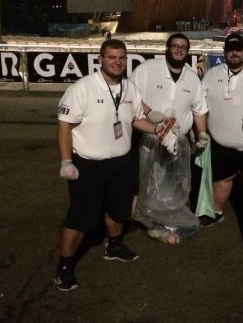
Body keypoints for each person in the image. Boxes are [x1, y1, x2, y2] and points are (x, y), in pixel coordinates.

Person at [54, 39, 164, 291]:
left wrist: (159, 130)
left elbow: (135, 120)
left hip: (121, 162)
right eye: (112, 57)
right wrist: (66, 161)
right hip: (88, 164)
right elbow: (64, 126)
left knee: (118, 208)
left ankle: (114, 245)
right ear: (100, 59)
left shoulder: (129, 88)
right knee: (80, 217)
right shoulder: (83, 88)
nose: (117, 62)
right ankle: (64, 266)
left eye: (122, 57)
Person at [129, 33, 208, 242]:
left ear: (187, 51)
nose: (179, 50)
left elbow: (199, 109)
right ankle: (141, 216)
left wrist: (201, 133)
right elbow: (130, 95)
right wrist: (149, 113)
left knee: (170, 182)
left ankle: (163, 217)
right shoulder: (147, 69)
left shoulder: (191, 77)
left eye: (183, 47)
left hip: (176, 144)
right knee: (144, 180)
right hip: (147, 139)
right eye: (175, 46)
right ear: (167, 48)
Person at [200, 33, 243, 227]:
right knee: (221, 180)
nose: (234, 53)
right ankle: (216, 211)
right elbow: (199, 105)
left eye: (238, 49)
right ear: (225, 52)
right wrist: (199, 131)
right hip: (221, 143)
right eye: (230, 50)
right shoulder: (212, 74)